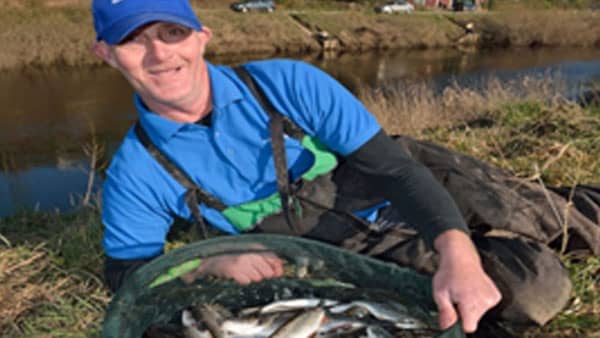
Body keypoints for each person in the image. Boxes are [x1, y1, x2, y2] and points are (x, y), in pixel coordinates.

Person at [90, 0, 504, 334]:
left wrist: (458, 255)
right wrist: (209, 264)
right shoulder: (135, 170)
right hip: (303, 271)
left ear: (201, 38)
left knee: (514, 288)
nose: (159, 53)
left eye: (173, 33)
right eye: (132, 40)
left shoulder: (289, 84)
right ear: (107, 55)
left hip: (390, 214)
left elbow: (395, 171)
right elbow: (127, 271)